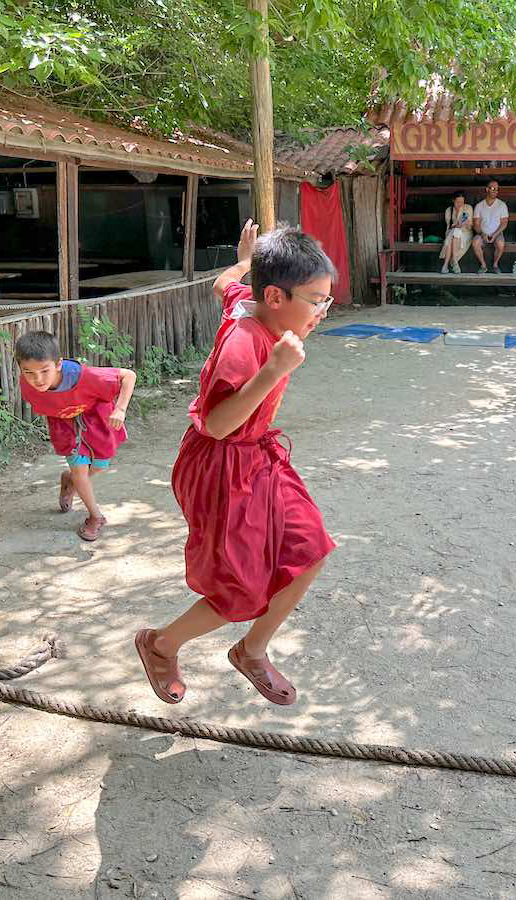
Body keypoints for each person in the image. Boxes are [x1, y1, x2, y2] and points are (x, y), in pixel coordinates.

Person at [133, 220, 337, 707]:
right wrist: (273, 371)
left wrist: (245, 260)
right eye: (315, 300)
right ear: (274, 297)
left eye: (326, 299)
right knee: (240, 590)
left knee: (310, 549)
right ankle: (160, 645)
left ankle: (252, 650)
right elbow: (218, 424)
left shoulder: (251, 302)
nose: (323, 311)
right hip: (220, 466)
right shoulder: (244, 345)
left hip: (257, 456)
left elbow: (224, 284)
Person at [16, 331, 136, 542]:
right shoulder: (27, 383)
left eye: (45, 371)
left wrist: (121, 409)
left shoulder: (86, 376)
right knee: (80, 471)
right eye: (29, 373)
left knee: (99, 465)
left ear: (59, 364)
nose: (37, 379)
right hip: (66, 427)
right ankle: (95, 517)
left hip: (97, 421)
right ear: (20, 369)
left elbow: (128, 375)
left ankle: (70, 480)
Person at [471, 180, 509, 273]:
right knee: (475, 242)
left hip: (497, 233)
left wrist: (495, 235)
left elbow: (504, 223)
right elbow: (476, 224)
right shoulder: (479, 205)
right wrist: (482, 234)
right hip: (482, 233)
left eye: (497, 189)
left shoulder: (502, 205)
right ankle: (483, 265)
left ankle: (495, 265)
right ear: (487, 189)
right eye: (492, 188)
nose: (495, 191)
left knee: (500, 244)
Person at [440, 191, 474, 274]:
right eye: (458, 202)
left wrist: (459, 211)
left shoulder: (468, 208)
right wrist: (454, 227)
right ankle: (454, 262)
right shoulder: (449, 210)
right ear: (453, 201)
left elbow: (464, 224)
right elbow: (449, 227)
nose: (460, 204)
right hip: (451, 233)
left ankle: (445, 265)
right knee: (454, 233)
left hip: (466, 232)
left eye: (462, 202)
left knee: (455, 233)